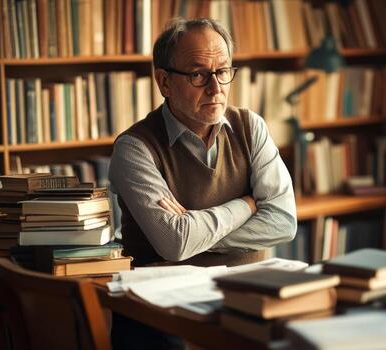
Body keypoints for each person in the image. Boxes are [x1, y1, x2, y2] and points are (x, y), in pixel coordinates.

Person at [108, 17, 297, 349]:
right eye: (198, 74)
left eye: (222, 71)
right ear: (164, 81)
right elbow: (175, 243)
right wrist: (247, 205)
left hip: (246, 298)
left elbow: (283, 222)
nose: (216, 88)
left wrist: (194, 231)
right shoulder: (134, 147)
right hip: (162, 311)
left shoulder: (250, 127)